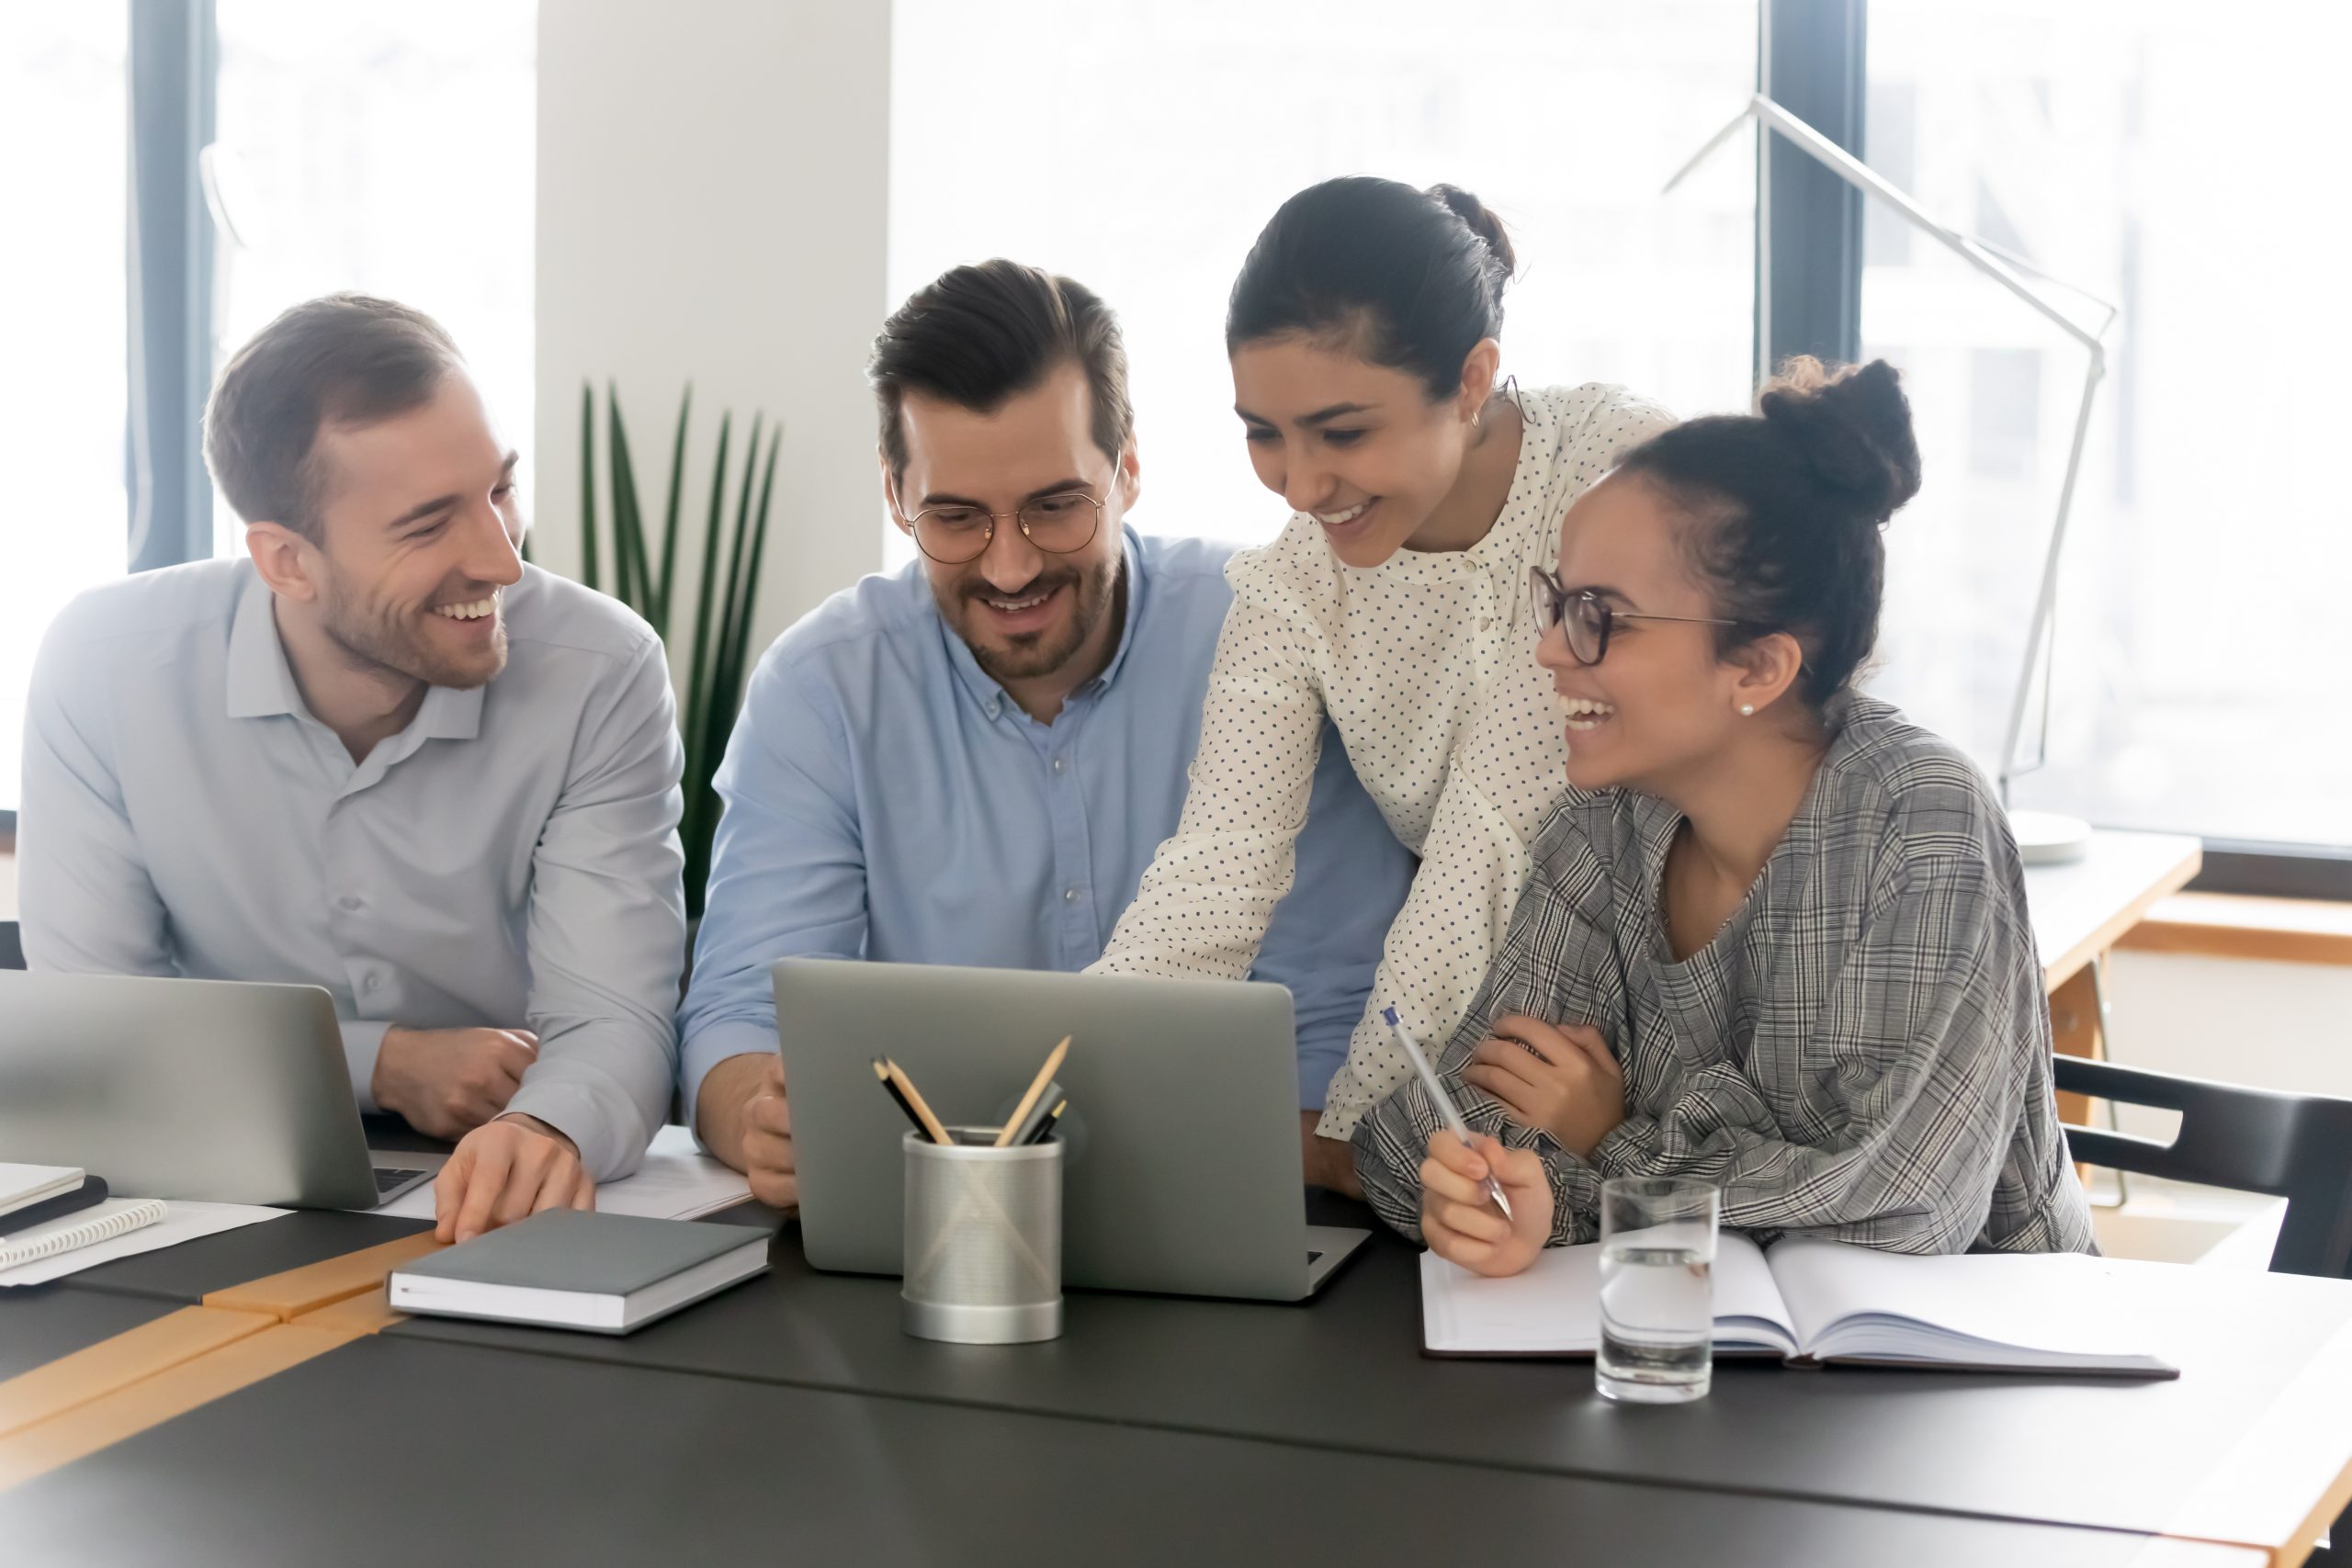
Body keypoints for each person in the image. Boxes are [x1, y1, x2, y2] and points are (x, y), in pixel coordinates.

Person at [677, 260, 1413, 1207]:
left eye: (1054, 506)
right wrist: (757, 1117)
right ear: (897, 498)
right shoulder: (821, 689)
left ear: (1130, 471)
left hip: (1248, 1201)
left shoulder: (1271, 638)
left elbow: (1338, 1021)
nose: (1011, 565)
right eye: (955, 518)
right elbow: (741, 1016)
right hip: (934, 1221)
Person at [1351, 357, 2098, 1274]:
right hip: (1693, 1360)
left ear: (1757, 669)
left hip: (1970, 1379)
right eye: (1556, 602)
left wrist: (1613, 1143)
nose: (1548, 649)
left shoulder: (1922, 823)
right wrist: (1495, 1198)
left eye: (1600, 617)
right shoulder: (1601, 827)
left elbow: (1898, 1213)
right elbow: (1411, 1142)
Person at [18, 294, 685, 1243]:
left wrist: (548, 1122)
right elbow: (107, 1032)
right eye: (428, 525)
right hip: (205, 1198)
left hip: (490, 1197)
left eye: (500, 491)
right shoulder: (105, 663)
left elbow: (616, 1015)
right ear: (287, 562)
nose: (501, 559)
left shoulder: (600, 670)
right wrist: (381, 1064)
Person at [1090, 176, 1675, 1190]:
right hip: (1526, 1036)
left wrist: (1361, 1135)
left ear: (1469, 378)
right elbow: (1214, 874)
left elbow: (1482, 849)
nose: (1301, 485)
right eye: (1263, 433)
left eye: (1342, 432)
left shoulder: (1614, 478)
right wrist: (1062, 1080)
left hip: (1693, 990)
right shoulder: (1291, 587)